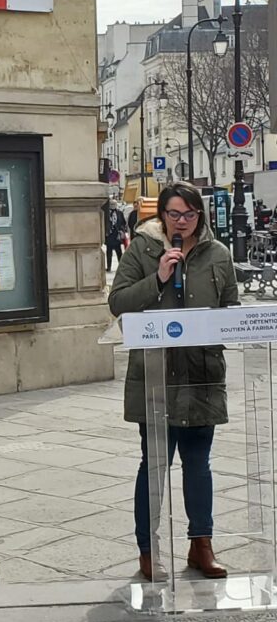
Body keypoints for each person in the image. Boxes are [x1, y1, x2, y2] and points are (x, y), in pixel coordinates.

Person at [108, 181, 239, 581]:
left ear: (200, 215)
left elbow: (230, 309)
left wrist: (225, 326)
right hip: (155, 378)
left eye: (190, 214)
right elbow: (118, 303)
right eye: (174, 214)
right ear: (161, 216)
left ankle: (202, 544)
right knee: (155, 465)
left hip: (202, 377)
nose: (182, 222)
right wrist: (159, 278)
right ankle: (148, 551)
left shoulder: (218, 255)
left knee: (199, 465)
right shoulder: (142, 251)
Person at [104, 198, 127, 271]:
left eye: (114, 204)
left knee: (119, 252)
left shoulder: (119, 213)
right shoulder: (106, 213)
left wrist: (122, 230)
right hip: (110, 235)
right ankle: (109, 267)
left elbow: (123, 223)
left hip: (117, 235)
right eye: (111, 204)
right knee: (109, 253)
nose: (113, 206)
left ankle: (121, 267)